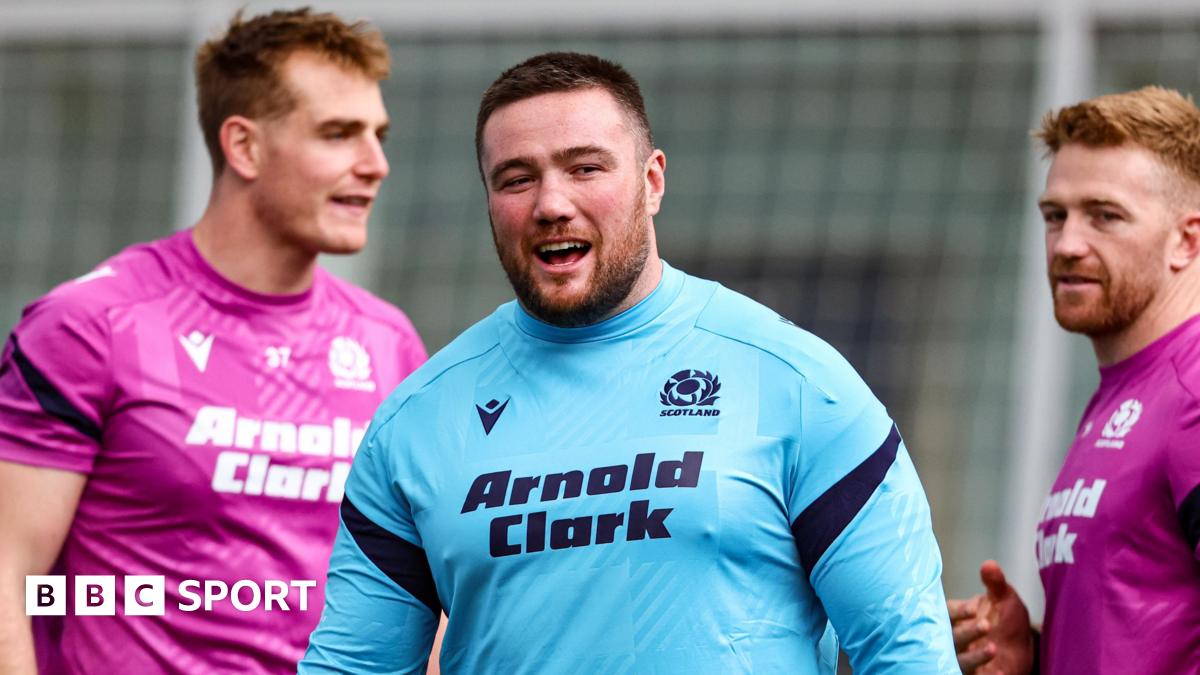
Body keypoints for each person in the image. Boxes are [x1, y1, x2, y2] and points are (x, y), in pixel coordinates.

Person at [301, 51, 956, 674]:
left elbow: (905, 653)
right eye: (516, 178)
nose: (551, 203)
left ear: (652, 182)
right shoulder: (416, 422)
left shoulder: (797, 382)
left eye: (585, 168)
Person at [0, 8, 427, 673]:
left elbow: (408, 589)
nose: (375, 164)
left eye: (379, 134)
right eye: (339, 134)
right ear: (244, 146)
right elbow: (8, 577)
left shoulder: (388, 342)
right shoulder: (90, 326)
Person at [950, 86, 1200, 674]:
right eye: (1054, 216)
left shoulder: (1191, 392)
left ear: (1186, 240)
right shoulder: (1126, 391)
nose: (1067, 244)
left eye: (1105, 216)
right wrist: (1032, 656)